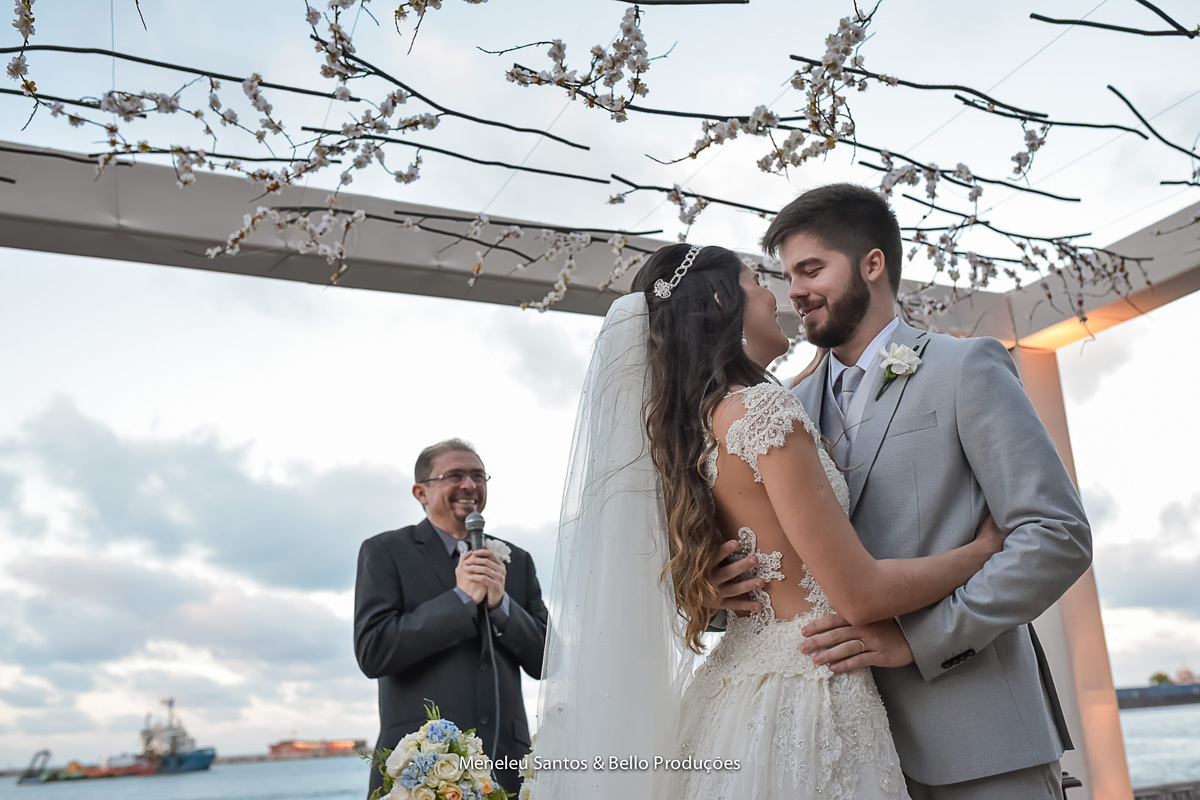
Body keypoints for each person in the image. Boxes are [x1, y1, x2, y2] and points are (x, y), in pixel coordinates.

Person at [531, 243, 1006, 800]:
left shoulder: (693, 426)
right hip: (807, 687)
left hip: (733, 694)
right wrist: (981, 552)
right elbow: (860, 593)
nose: (775, 294)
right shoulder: (761, 411)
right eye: (757, 280)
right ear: (720, 299)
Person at [713, 182, 1089, 799]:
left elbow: (1058, 536)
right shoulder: (778, 411)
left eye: (811, 268)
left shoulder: (966, 368)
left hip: (980, 738)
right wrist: (718, 586)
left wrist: (917, 640)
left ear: (872, 264)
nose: (795, 291)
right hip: (834, 746)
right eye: (786, 275)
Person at [354, 439, 548, 798]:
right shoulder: (385, 551)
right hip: (419, 773)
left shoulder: (517, 560)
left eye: (478, 476)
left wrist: (500, 605)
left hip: (508, 767)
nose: (470, 486)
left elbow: (547, 661)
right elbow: (373, 651)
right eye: (454, 475)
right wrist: (460, 600)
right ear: (421, 492)